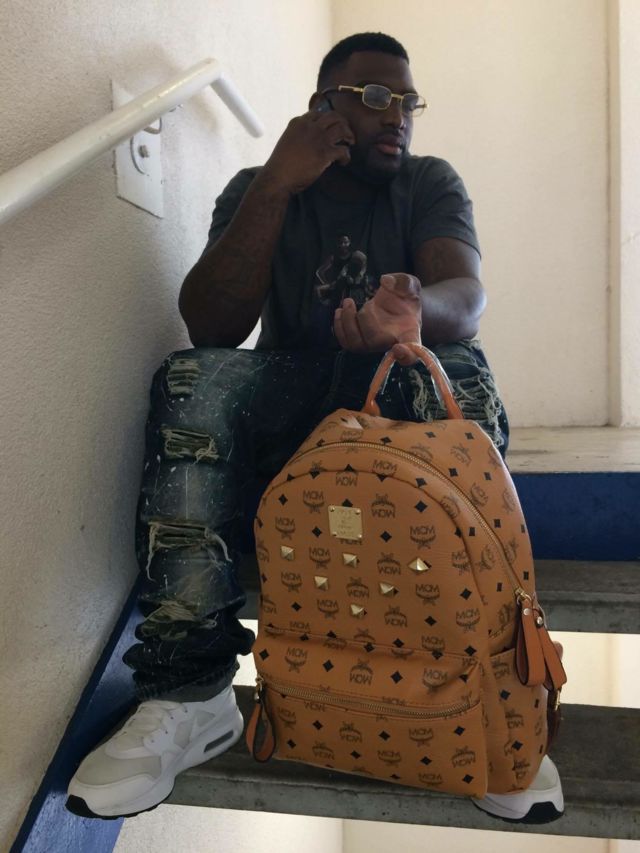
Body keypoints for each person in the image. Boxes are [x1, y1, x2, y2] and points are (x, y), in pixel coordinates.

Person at [66, 32, 562, 824]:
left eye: (408, 101)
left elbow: (465, 297)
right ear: (323, 108)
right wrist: (275, 185)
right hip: (293, 403)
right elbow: (212, 323)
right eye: (376, 97)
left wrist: (411, 315)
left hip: (391, 396)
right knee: (195, 378)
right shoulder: (258, 186)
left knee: (459, 366)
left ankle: (490, 695)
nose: (397, 116)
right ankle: (190, 693)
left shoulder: (428, 182)